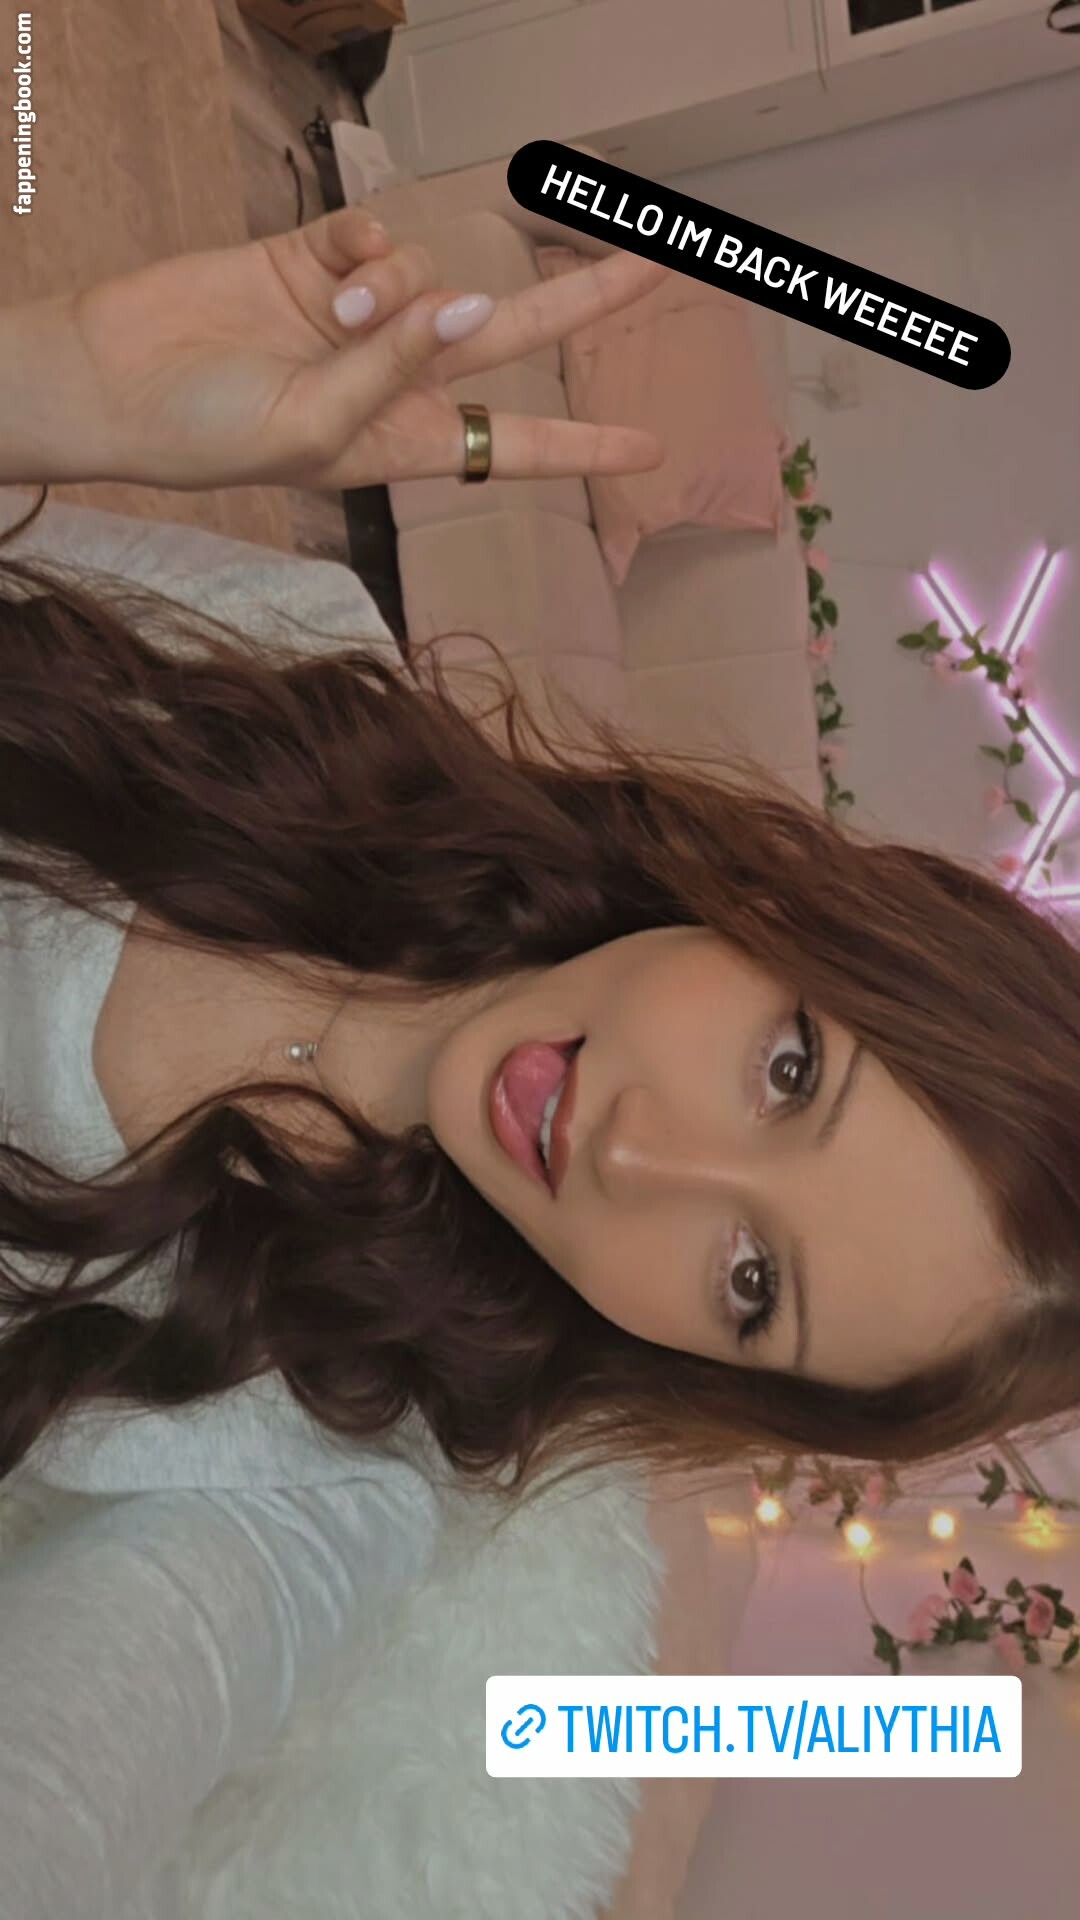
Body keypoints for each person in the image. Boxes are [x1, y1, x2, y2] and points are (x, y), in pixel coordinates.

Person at [0, 207, 1076, 1916]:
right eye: (790, 1073)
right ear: (787, 917)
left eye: (748, 1280)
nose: (638, 1156)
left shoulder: (309, 1476)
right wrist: (39, 389)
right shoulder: (301, 662)